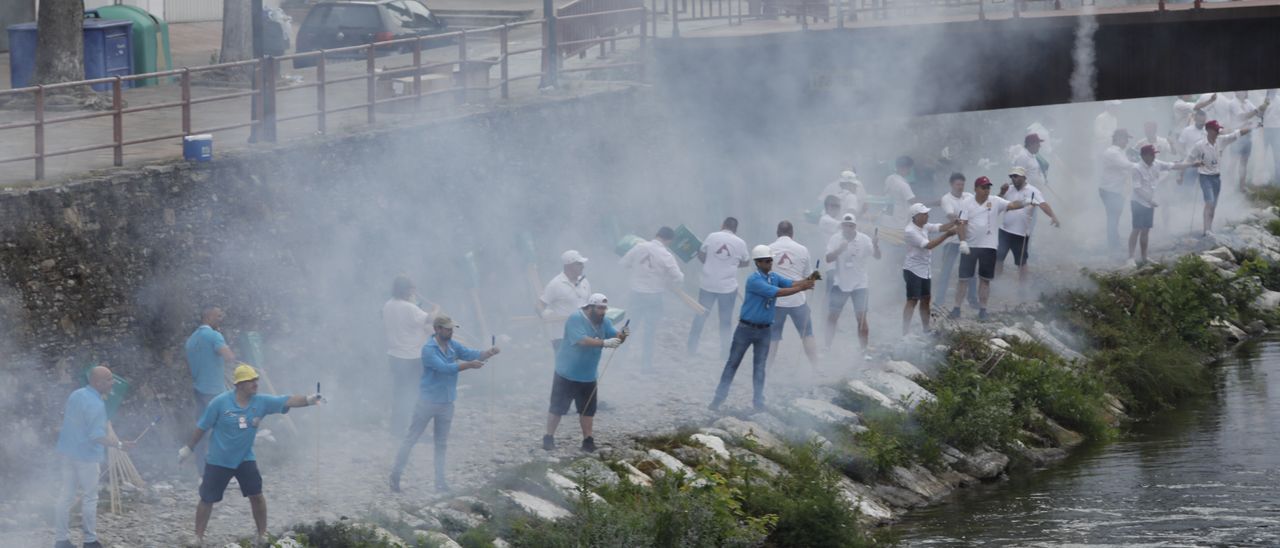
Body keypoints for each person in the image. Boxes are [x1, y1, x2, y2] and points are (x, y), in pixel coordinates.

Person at [178, 364, 323, 546]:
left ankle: (262, 534)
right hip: (218, 460)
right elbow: (202, 426)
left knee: (256, 495)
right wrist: (188, 448)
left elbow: (286, 401)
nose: (255, 383)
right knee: (207, 498)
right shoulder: (220, 403)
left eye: (256, 380)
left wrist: (309, 400)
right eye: (251, 381)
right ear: (239, 384)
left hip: (245, 458)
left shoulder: (260, 401)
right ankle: (197, 537)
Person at [390, 315, 499, 493]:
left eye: (451, 329)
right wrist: (469, 366)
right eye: (447, 329)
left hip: (447, 402)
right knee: (411, 439)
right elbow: (444, 369)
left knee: (441, 444)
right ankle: (395, 475)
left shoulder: (452, 345)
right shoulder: (428, 349)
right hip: (427, 401)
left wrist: (489, 352)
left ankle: (440, 482)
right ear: (437, 329)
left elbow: (471, 353)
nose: (451, 331)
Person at [709, 245, 816, 411]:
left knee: (760, 367)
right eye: (766, 261)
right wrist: (802, 288)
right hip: (745, 330)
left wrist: (807, 281)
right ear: (758, 263)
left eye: (770, 260)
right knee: (732, 364)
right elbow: (778, 292)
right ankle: (718, 399)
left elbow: (790, 282)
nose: (770, 263)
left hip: (765, 330)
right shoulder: (754, 280)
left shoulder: (772, 276)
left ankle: (758, 402)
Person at [54, 366, 128, 548]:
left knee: (66, 496)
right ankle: (89, 541)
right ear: (97, 382)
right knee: (90, 498)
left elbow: (66, 417)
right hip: (86, 457)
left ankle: (61, 540)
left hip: (67, 452)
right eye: (110, 379)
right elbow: (96, 436)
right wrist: (119, 444)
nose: (113, 383)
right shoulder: (96, 405)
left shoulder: (76, 395)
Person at [543, 293, 627, 452]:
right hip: (566, 372)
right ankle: (548, 437)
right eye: (599, 308)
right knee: (557, 408)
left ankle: (588, 440)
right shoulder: (576, 318)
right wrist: (604, 342)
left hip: (588, 375)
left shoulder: (604, 321)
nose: (602, 312)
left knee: (588, 410)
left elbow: (616, 337)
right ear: (590, 307)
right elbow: (581, 340)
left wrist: (622, 335)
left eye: (604, 308)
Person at [950, 176, 1029, 321]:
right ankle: (956, 308)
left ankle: (983, 310)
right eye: (983, 187)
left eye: (988, 187)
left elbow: (1012, 205)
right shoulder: (966, 203)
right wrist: (962, 242)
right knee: (963, 279)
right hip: (971, 245)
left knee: (985, 280)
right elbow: (961, 223)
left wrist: (1026, 202)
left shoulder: (995, 201)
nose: (986, 190)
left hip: (989, 246)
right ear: (976, 189)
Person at [619, 227, 684, 370]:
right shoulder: (666, 255)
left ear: (656, 235)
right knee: (650, 332)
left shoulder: (639, 247)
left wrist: (635, 268)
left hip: (636, 294)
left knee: (629, 327)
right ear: (669, 241)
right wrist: (666, 278)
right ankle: (646, 366)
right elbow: (679, 277)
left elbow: (623, 263)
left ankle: (618, 361)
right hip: (654, 296)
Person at [184, 306, 237, 476]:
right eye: (219, 316)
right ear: (209, 316)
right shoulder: (214, 335)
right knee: (224, 431)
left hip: (199, 390)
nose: (221, 319)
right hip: (215, 391)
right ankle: (224, 471)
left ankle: (203, 472)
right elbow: (229, 356)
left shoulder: (191, 339)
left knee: (202, 430)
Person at [688, 218, 749, 359]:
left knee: (700, 316)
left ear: (723, 225)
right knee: (725, 321)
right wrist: (732, 264)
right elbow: (746, 262)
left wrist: (710, 262)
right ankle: (725, 352)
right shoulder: (740, 243)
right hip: (727, 287)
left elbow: (701, 254)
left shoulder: (712, 236)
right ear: (736, 229)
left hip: (708, 284)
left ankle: (691, 349)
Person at [1127, 144, 1198, 265]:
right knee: (1136, 229)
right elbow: (1137, 189)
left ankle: (1144, 257)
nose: (1154, 156)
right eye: (1151, 154)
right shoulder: (1136, 168)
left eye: (1154, 154)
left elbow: (1174, 166)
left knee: (1146, 230)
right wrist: (1149, 200)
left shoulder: (1156, 163)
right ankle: (1131, 258)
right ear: (1144, 156)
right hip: (1138, 202)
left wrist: (1192, 165)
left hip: (1150, 203)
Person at [383, 275, 435, 438]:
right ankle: (417, 431)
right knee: (418, 394)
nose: (413, 293)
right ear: (404, 291)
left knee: (400, 394)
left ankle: (397, 430)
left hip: (395, 356)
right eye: (411, 290)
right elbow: (430, 319)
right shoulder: (409, 308)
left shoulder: (388, 305)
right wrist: (436, 308)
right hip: (412, 357)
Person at [996, 166, 1061, 295]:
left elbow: (1042, 204)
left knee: (1022, 262)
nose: (1014, 179)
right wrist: (1002, 192)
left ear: (1024, 177)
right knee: (999, 258)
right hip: (1005, 230)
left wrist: (1053, 216)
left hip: (1021, 233)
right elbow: (997, 202)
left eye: (1016, 176)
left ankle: (1022, 289)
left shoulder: (1033, 191)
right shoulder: (1008, 189)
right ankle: (996, 284)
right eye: (1012, 176)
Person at [1186, 120, 1255, 236]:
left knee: (1214, 205)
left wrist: (1253, 127)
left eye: (1218, 130)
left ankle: (1209, 228)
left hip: (1217, 178)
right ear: (1208, 130)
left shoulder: (1221, 140)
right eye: (1216, 130)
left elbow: (1237, 134)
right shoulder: (1199, 145)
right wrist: (1193, 165)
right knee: (1210, 202)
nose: (1218, 132)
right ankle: (1206, 230)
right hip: (1205, 177)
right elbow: (1189, 160)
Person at [824, 213, 880, 355]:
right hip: (840, 282)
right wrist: (839, 250)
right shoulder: (835, 238)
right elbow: (828, 258)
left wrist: (875, 245)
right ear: (842, 226)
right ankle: (826, 347)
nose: (848, 228)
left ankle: (863, 350)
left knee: (861, 318)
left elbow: (878, 256)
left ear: (855, 226)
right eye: (846, 225)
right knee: (832, 316)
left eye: (851, 225)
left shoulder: (864, 239)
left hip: (860, 284)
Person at [767, 221, 819, 367]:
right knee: (807, 333)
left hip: (777, 299)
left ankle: (766, 370)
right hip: (797, 300)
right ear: (792, 234)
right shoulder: (802, 250)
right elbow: (809, 277)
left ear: (777, 233)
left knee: (773, 337)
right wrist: (814, 277)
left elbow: (764, 276)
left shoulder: (769, 249)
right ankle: (816, 367)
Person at [901, 204, 958, 335]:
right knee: (912, 300)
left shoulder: (924, 226)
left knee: (926, 298)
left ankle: (926, 329)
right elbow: (928, 245)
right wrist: (948, 235)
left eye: (927, 213)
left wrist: (952, 223)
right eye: (924, 214)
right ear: (915, 216)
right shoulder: (910, 231)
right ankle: (905, 331)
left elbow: (939, 227)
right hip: (913, 269)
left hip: (925, 269)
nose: (927, 215)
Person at [935, 173, 978, 307]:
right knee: (946, 271)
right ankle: (939, 300)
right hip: (952, 240)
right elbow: (950, 215)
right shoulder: (946, 199)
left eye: (962, 184)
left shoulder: (969, 197)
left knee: (971, 272)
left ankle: (972, 299)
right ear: (952, 185)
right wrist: (961, 221)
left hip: (968, 239)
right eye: (958, 184)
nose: (960, 187)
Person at [538, 250, 592, 353]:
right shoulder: (555, 284)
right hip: (562, 336)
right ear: (569, 266)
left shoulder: (584, 282)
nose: (582, 266)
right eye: (579, 264)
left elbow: (589, 305)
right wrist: (545, 314)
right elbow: (540, 305)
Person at [1135, 121, 1177, 228]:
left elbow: (1173, 152)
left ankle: (1166, 226)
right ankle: (1147, 226)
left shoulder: (1163, 141)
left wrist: (1171, 143)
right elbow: (1133, 157)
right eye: (1146, 129)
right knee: (1147, 202)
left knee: (1165, 202)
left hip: (1163, 176)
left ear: (1155, 130)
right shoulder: (1141, 143)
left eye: (1150, 129)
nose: (1148, 131)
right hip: (1148, 178)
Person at [1225, 91, 1269, 191]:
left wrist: (1265, 106)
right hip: (1237, 135)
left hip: (1247, 135)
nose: (1244, 93)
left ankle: (1242, 186)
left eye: (1245, 91)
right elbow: (1242, 117)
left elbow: (1259, 114)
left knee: (1244, 162)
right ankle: (1228, 186)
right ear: (1236, 92)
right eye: (1241, 91)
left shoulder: (1247, 102)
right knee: (1233, 162)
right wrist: (1257, 110)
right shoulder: (1233, 103)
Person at [1098, 129, 1133, 250]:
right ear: (1118, 138)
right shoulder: (1112, 152)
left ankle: (1114, 240)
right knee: (1113, 217)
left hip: (1116, 190)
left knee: (1115, 216)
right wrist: (1142, 164)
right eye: (1125, 139)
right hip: (1110, 190)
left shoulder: (1120, 151)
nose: (1127, 142)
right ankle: (1113, 244)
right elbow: (1127, 165)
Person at [882, 156, 919, 229]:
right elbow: (914, 202)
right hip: (899, 222)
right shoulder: (902, 184)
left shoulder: (890, 178)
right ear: (904, 168)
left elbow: (885, 193)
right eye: (910, 168)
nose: (910, 170)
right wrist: (933, 203)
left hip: (887, 218)